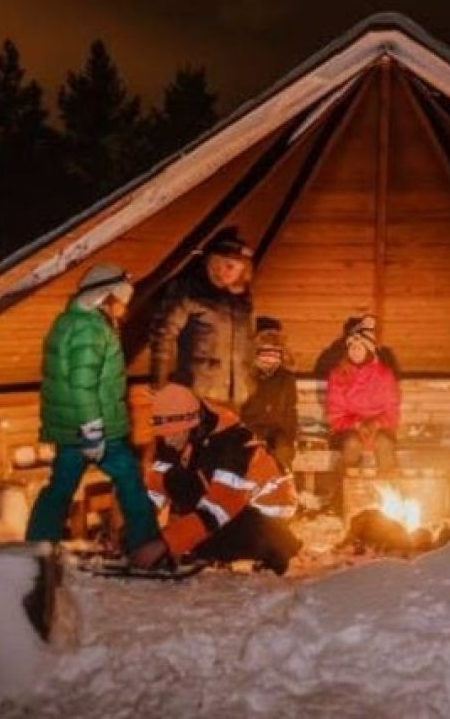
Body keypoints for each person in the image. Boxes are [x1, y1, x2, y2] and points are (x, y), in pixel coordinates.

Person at [26, 263, 158, 561]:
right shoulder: (92, 330)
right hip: (96, 429)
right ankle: (146, 548)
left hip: (72, 428)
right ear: (105, 297)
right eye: (122, 301)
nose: (124, 309)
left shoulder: (70, 321)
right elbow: (82, 385)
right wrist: (93, 431)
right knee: (130, 482)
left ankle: (35, 549)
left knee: (60, 487)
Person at [133, 383, 301, 574]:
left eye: (172, 434)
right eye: (163, 435)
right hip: (230, 504)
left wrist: (165, 543)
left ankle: (277, 548)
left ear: (193, 425)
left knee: (202, 543)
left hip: (266, 513)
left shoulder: (232, 442)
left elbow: (220, 506)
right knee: (178, 482)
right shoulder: (174, 431)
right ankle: (201, 547)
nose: (167, 441)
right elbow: (157, 484)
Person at [149, 226, 255, 411]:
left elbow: (249, 344)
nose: (231, 270)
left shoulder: (242, 302)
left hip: (236, 397)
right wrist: (160, 384)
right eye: (226, 264)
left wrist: (250, 383)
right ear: (213, 263)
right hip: (198, 392)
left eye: (237, 267)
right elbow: (163, 335)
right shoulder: (190, 291)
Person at [325, 314, 400, 475]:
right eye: (352, 347)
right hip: (348, 429)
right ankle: (345, 491)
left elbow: (392, 410)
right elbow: (335, 413)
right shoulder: (338, 375)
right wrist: (357, 424)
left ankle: (389, 488)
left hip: (379, 428)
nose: (355, 351)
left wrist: (376, 424)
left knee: (384, 444)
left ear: (368, 349)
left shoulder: (384, 375)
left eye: (360, 347)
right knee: (352, 444)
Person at [240, 316, 298, 470]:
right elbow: (237, 409)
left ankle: (282, 487)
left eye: (274, 353)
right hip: (250, 429)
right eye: (264, 352)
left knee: (282, 453)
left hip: (278, 431)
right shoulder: (245, 377)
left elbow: (291, 410)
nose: (269, 359)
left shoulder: (285, 378)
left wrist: (291, 437)